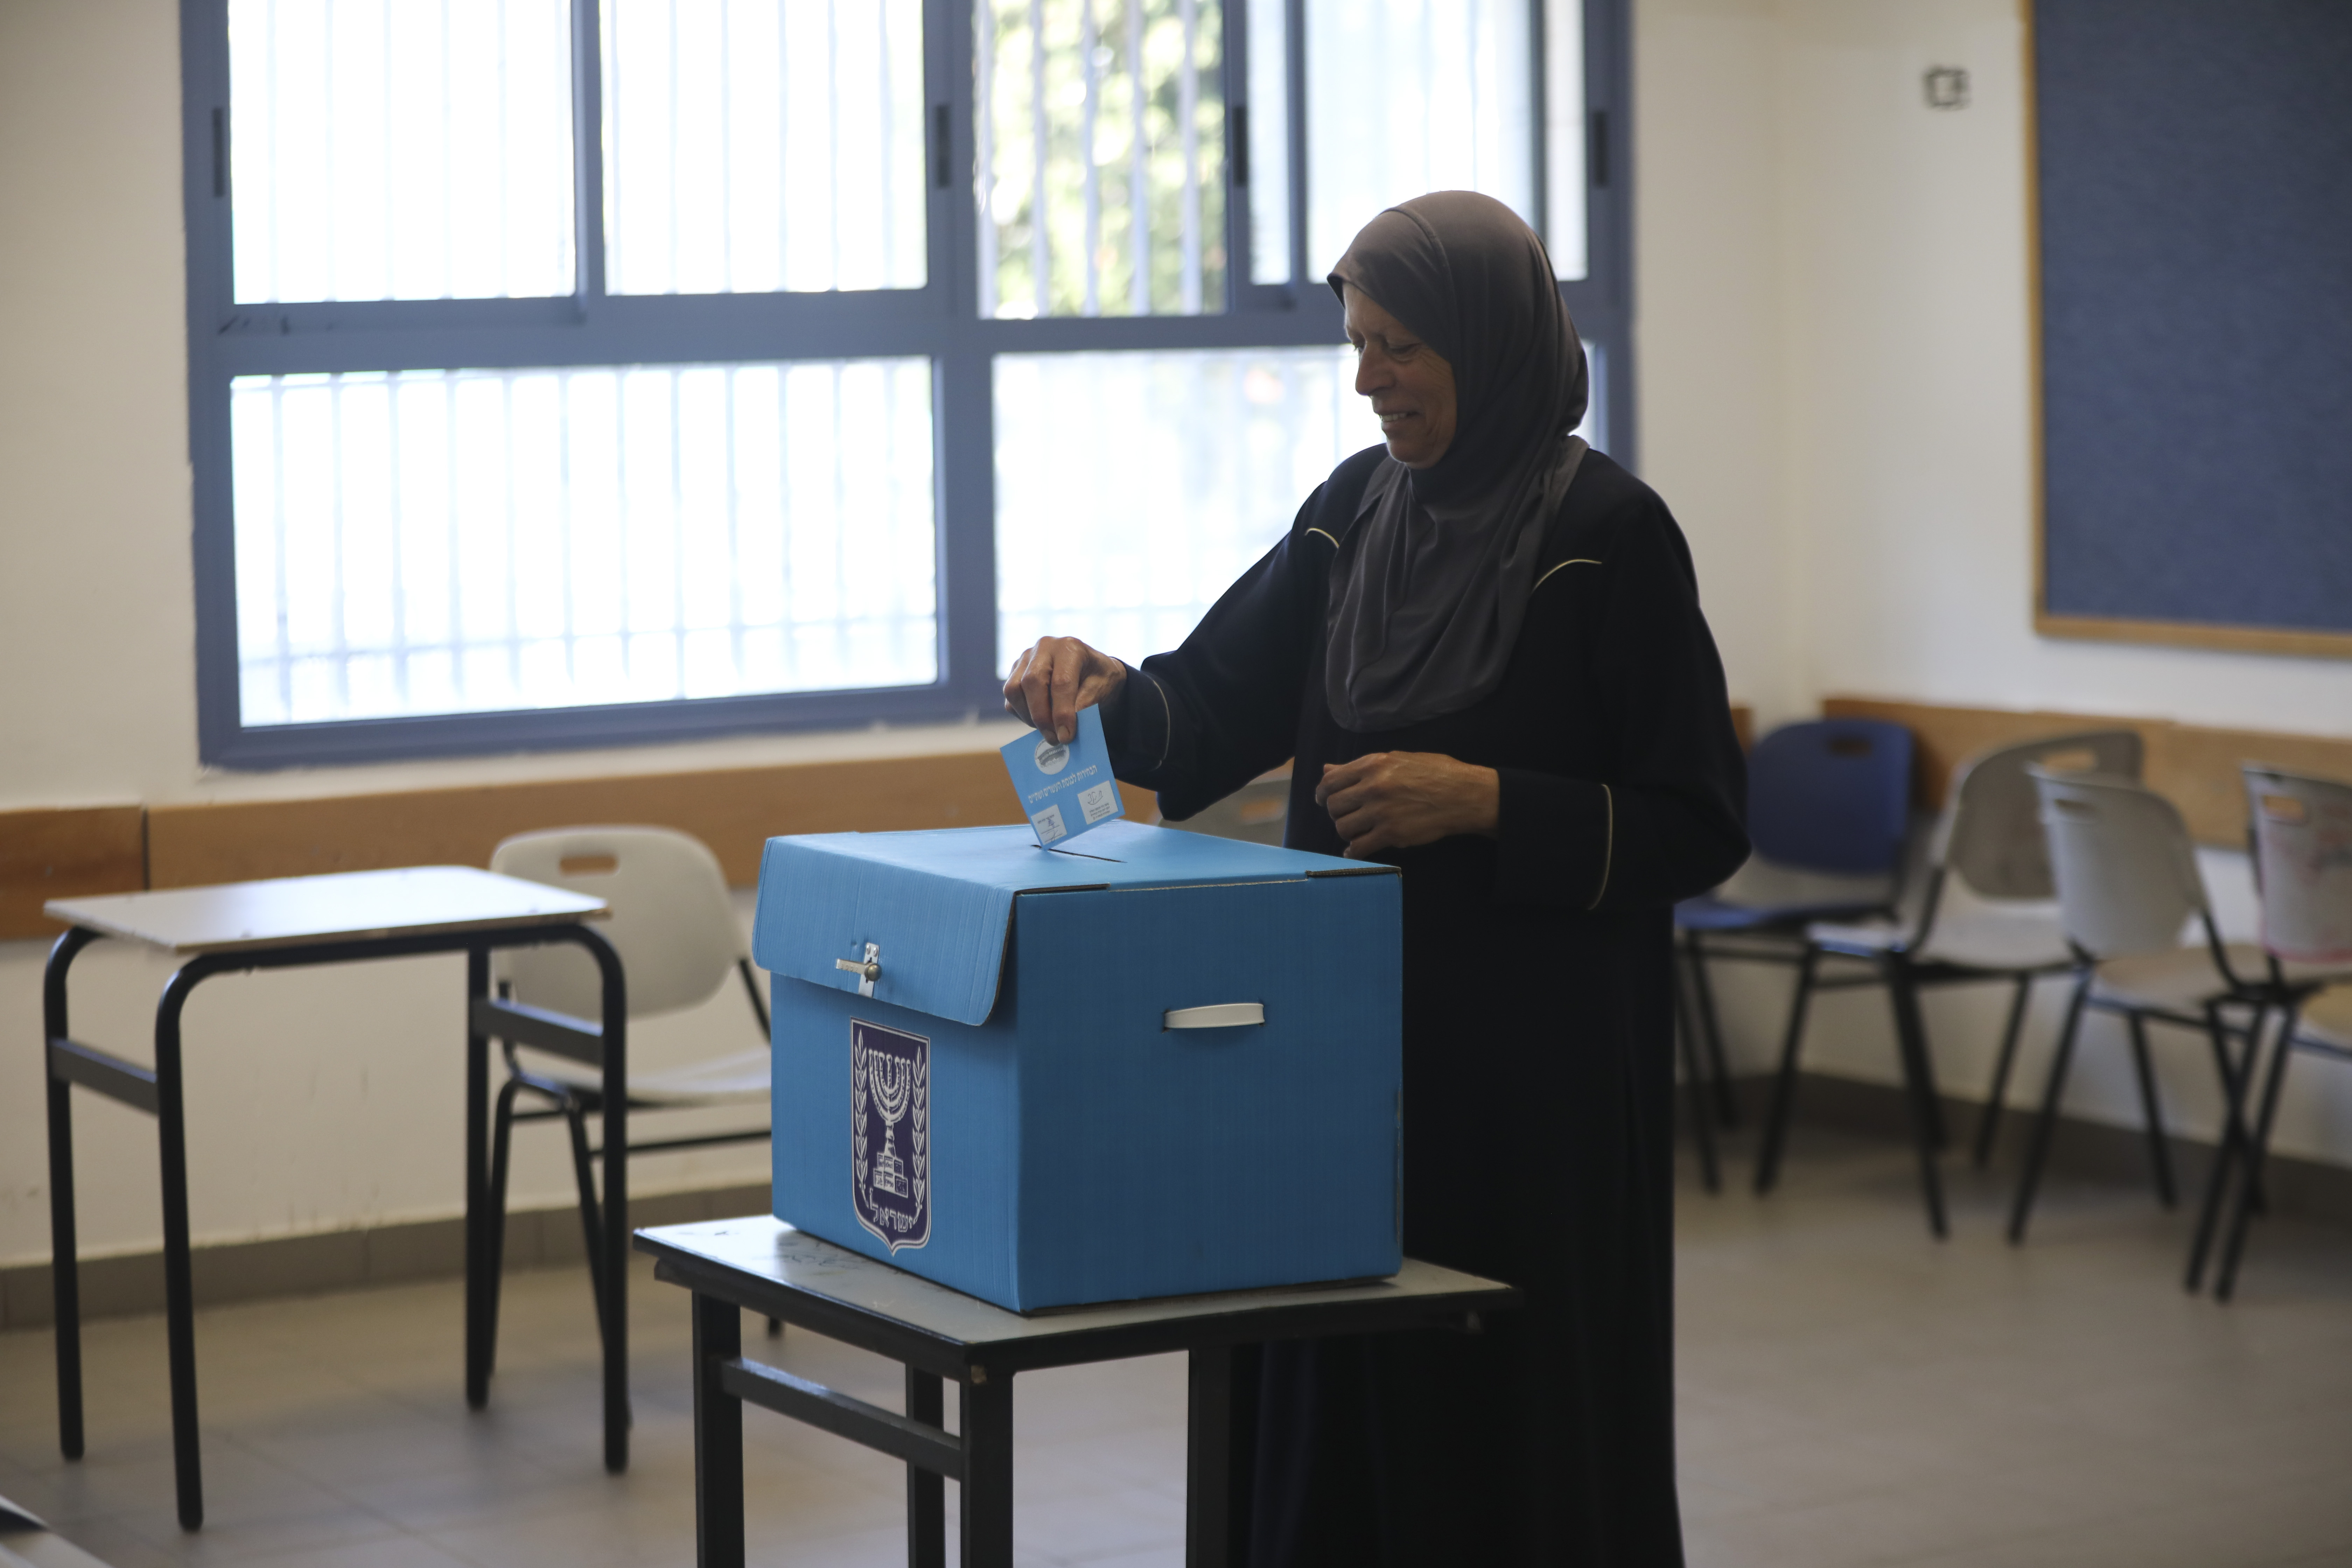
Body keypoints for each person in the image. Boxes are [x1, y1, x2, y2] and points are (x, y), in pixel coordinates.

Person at [1003, 190, 1748, 1566]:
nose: (1368, 381)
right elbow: (1214, 705)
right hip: (1348, 1052)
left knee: (1503, 1394)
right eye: (1358, 344)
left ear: (1491, 340)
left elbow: (1697, 819)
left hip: (1534, 1086)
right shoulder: (1352, 515)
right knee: (1336, 1359)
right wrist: (1100, 692)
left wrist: (1490, 804)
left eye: (1400, 345)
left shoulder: (1612, 538)